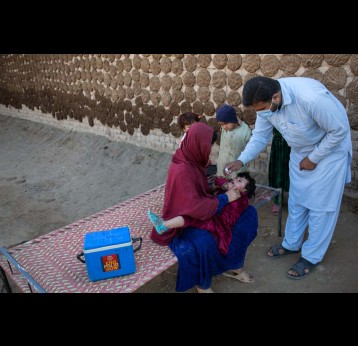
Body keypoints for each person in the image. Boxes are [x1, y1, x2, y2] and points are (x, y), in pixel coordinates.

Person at [223, 76, 352, 280]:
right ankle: (291, 243)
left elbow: (339, 131)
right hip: (301, 152)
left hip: (329, 153)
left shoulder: (311, 98)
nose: (261, 113)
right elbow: (261, 136)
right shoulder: (266, 104)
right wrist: (241, 160)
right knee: (297, 200)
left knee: (321, 207)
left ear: (276, 97)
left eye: (263, 108)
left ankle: (311, 256)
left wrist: (314, 157)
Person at [150, 122, 259, 293]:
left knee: (249, 215)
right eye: (208, 146)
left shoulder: (192, 158)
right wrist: (224, 198)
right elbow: (193, 207)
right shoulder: (182, 170)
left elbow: (202, 189)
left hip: (203, 206)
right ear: (198, 143)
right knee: (204, 242)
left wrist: (220, 189)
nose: (209, 150)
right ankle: (203, 284)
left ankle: (234, 265)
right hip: (186, 216)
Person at [148, 171, 256, 257]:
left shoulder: (240, 201)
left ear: (244, 191)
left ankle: (164, 226)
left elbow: (226, 216)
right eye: (236, 178)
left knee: (194, 215)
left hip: (219, 223)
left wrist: (222, 200)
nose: (234, 180)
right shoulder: (231, 187)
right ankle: (165, 224)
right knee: (192, 208)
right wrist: (224, 185)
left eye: (240, 181)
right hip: (213, 210)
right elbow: (218, 179)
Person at [216, 104, 252, 179]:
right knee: (223, 184)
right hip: (223, 164)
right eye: (221, 125)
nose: (224, 127)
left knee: (236, 186)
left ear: (233, 119)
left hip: (237, 167)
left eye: (225, 124)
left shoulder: (246, 131)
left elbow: (250, 150)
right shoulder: (225, 129)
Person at [268, 127, 291, 216]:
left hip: (293, 145)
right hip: (278, 144)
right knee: (278, 172)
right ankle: (277, 200)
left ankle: (293, 200)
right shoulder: (272, 113)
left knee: (292, 173)